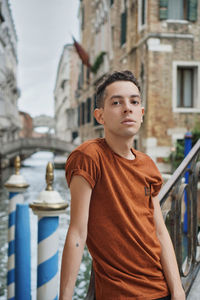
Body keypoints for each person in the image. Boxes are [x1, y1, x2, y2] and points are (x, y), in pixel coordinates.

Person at [59, 70, 185, 300]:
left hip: (160, 290)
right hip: (118, 294)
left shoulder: (147, 164)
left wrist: (177, 290)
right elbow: (77, 232)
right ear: (100, 116)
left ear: (142, 113)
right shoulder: (88, 157)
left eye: (134, 102)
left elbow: (159, 231)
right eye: (116, 102)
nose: (127, 108)